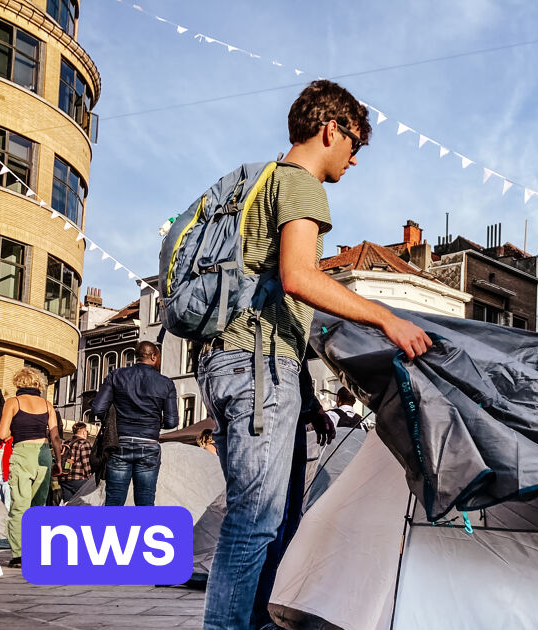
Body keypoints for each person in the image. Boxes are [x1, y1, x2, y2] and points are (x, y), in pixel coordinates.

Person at [198, 79, 432, 630]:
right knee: (255, 521)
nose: (354, 160)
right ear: (332, 130)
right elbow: (299, 278)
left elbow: (274, 303)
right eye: (354, 146)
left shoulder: (256, 183)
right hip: (255, 368)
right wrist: (386, 318)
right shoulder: (301, 185)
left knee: (264, 518)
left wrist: (308, 395)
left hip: (237, 364)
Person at [90, 341, 177, 507]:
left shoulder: (116, 375)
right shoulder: (166, 383)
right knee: (145, 501)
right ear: (153, 356)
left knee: (114, 500)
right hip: (149, 444)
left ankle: (111, 532)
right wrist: (154, 424)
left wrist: (114, 421)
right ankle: (142, 531)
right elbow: (172, 421)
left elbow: (98, 408)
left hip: (120, 443)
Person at [0, 367, 63, 569]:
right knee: (38, 507)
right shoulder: (47, 404)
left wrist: (15, 431)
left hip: (22, 453)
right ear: (37, 385)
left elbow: (1, 434)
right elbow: (55, 437)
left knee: (19, 507)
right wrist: (58, 461)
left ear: (19, 384)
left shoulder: (13, 402)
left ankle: (19, 556)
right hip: (44, 454)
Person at [56, 422, 93, 503]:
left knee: (68, 503)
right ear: (83, 432)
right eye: (86, 431)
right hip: (79, 479)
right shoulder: (84, 443)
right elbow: (86, 463)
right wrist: (90, 478)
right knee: (83, 503)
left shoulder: (66, 443)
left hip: (64, 479)